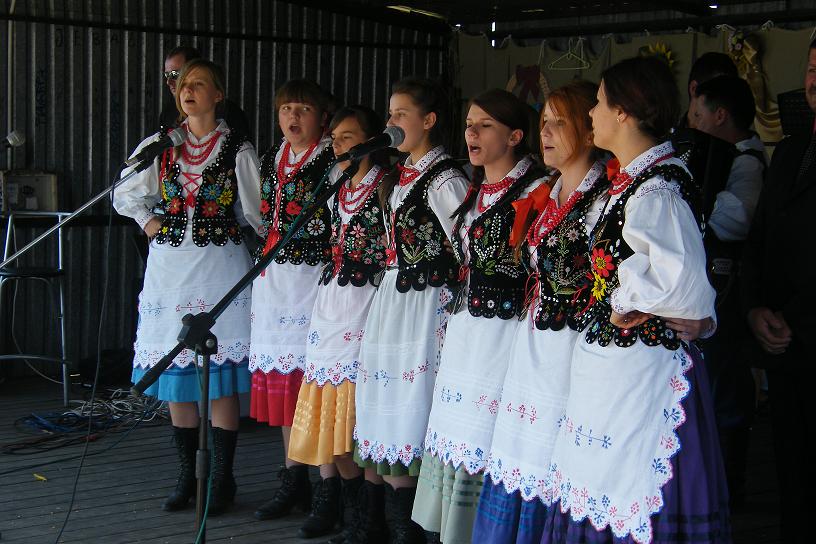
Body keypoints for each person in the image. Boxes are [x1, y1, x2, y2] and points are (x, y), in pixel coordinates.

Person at [539, 56, 729, 543]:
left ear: (623, 112)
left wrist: (623, 298)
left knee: (629, 489)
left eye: (600, 103)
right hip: (618, 370)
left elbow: (681, 281)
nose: (592, 113)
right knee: (599, 482)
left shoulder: (656, 189)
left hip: (643, 373)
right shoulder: (632, 182)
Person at [113, 59, 262, 516]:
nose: (187, 90)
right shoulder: (160, 145)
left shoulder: (237, 148)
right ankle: (187, 476)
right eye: (182, 85)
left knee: (217, 377)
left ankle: (221, 479)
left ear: (218, 94)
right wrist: (149, 221)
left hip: (220, 267)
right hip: (171, 272)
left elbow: (255, 210)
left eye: (198, 84)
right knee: (177, 376)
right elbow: (124, 193)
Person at [471, 81, 609, 544]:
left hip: (573, 347)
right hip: (534, 344)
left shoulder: (603, 199)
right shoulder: (550, 194)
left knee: (552, 454)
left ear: (589, 130)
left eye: (559, 123)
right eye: (544, 122)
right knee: (521, 451)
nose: (545, 132)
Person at [411, 88, 548, 544]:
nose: (472, 133)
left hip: (505, 336)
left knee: (487, 435)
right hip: (468, 332)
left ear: (514, 136)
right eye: (470, 124)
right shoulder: (476, 191)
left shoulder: (537, 192)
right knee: (457, 430)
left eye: (485, 125)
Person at [353, 77, 470, 544]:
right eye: (390, 113)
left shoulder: (444, 179)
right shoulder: (405, 174)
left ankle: (411, 528)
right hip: (396, 299)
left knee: (413, 402)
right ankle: (385, 522)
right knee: (388, 400)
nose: (392, 121)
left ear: (429, 120)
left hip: (426, 304)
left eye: (401, 114)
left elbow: (468, 247)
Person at [287, 106, 392, 540]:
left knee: (358, 418)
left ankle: (370, 519)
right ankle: (351, 512)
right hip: (331, 303)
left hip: (367, 303)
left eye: (348, 137)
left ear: (371, 141)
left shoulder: (386, 186)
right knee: (333, 420)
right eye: (335, 138)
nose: (339, 145)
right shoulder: (336, 185)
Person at [249, 79, 336, 522]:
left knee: (314, 386)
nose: (293, 117)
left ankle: (327, 487)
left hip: (314, 283)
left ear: (322, 117)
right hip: (275, 283)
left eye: (303, 109)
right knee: (286, 388)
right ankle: (293, 479)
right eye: (286, 109)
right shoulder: (271, 157)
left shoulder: (332, 160)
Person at [741, 39, 816, 544]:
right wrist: (754, 309)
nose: (814, 80)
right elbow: (758, 240)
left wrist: (795, 316)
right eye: (811, 69)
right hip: (784, 346)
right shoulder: (790, 150)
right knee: (793, 475)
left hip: (806, 329)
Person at [689, 74, 766, 506]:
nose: (692, 123)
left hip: (729, 290)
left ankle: (726, 485)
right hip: (709, 290)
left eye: (698, 115)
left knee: (724, 386)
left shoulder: (746, 161)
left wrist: (695, 196)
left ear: (720, 115)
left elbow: (737, 220)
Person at [159, 45, 252, 138]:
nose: (168, 82)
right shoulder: (168, 113)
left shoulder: (232, 114)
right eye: (167, 75)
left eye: (175, 74)